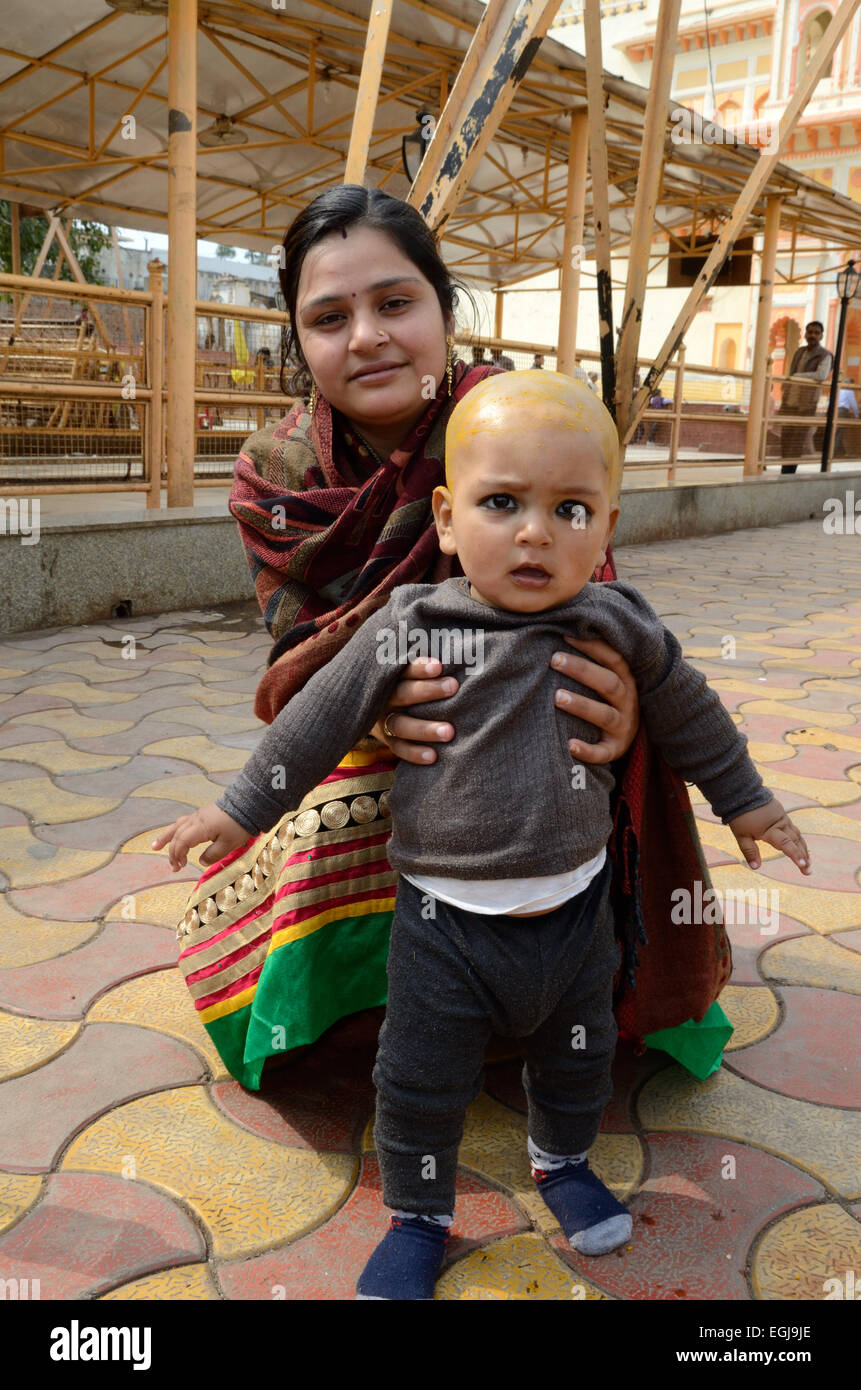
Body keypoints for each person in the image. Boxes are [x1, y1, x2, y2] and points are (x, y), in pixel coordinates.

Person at [157, 373, 811, 1300]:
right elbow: (315, 723)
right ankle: (419, 1215)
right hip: (442, 928)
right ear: (449, 517)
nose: (535, 532)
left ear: (607, 528)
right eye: (502, 504)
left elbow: (689, 711)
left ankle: (562, 1163)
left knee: (577, 1060)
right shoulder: (413, 621)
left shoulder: (616, 622)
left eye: (569, 509)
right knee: (419, 1080)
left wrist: (748, 803)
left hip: (577, 918)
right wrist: (233, 811)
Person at [163, 186, 644, 1093]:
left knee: (582, 781)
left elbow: (594, 591)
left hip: (542, 717)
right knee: (334, 811)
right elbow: (300, 659)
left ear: (442, 309)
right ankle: (360, 1020)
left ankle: (566, 1004)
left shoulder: (521, 419)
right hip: (380, 730)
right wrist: (376, 713)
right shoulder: (277, 472)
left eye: (395, 303)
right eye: (329, 317)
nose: (367, 336)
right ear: (299, 341)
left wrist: (616, 696)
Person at [778, 321, 833, 473]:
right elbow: (791, 372)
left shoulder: (825, 355)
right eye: (810, 332)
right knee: (786, 438)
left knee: (797, 440)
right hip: (790, 402)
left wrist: (799, 376)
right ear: (805, 334)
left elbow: (821, 375)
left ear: (821, 335)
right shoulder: (799, 352)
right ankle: (785, 471)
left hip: (806, 404)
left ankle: (789, 473)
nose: (812, 335)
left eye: (816, 333)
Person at [835, 383, 860, 458]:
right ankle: (834, 453)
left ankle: (838, 451)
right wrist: (856, 415)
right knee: (839, 432)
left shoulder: (838, 390)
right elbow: (853, 404)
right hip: (842, 411)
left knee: (835, 431)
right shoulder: (849, 391)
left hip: (835, 410)